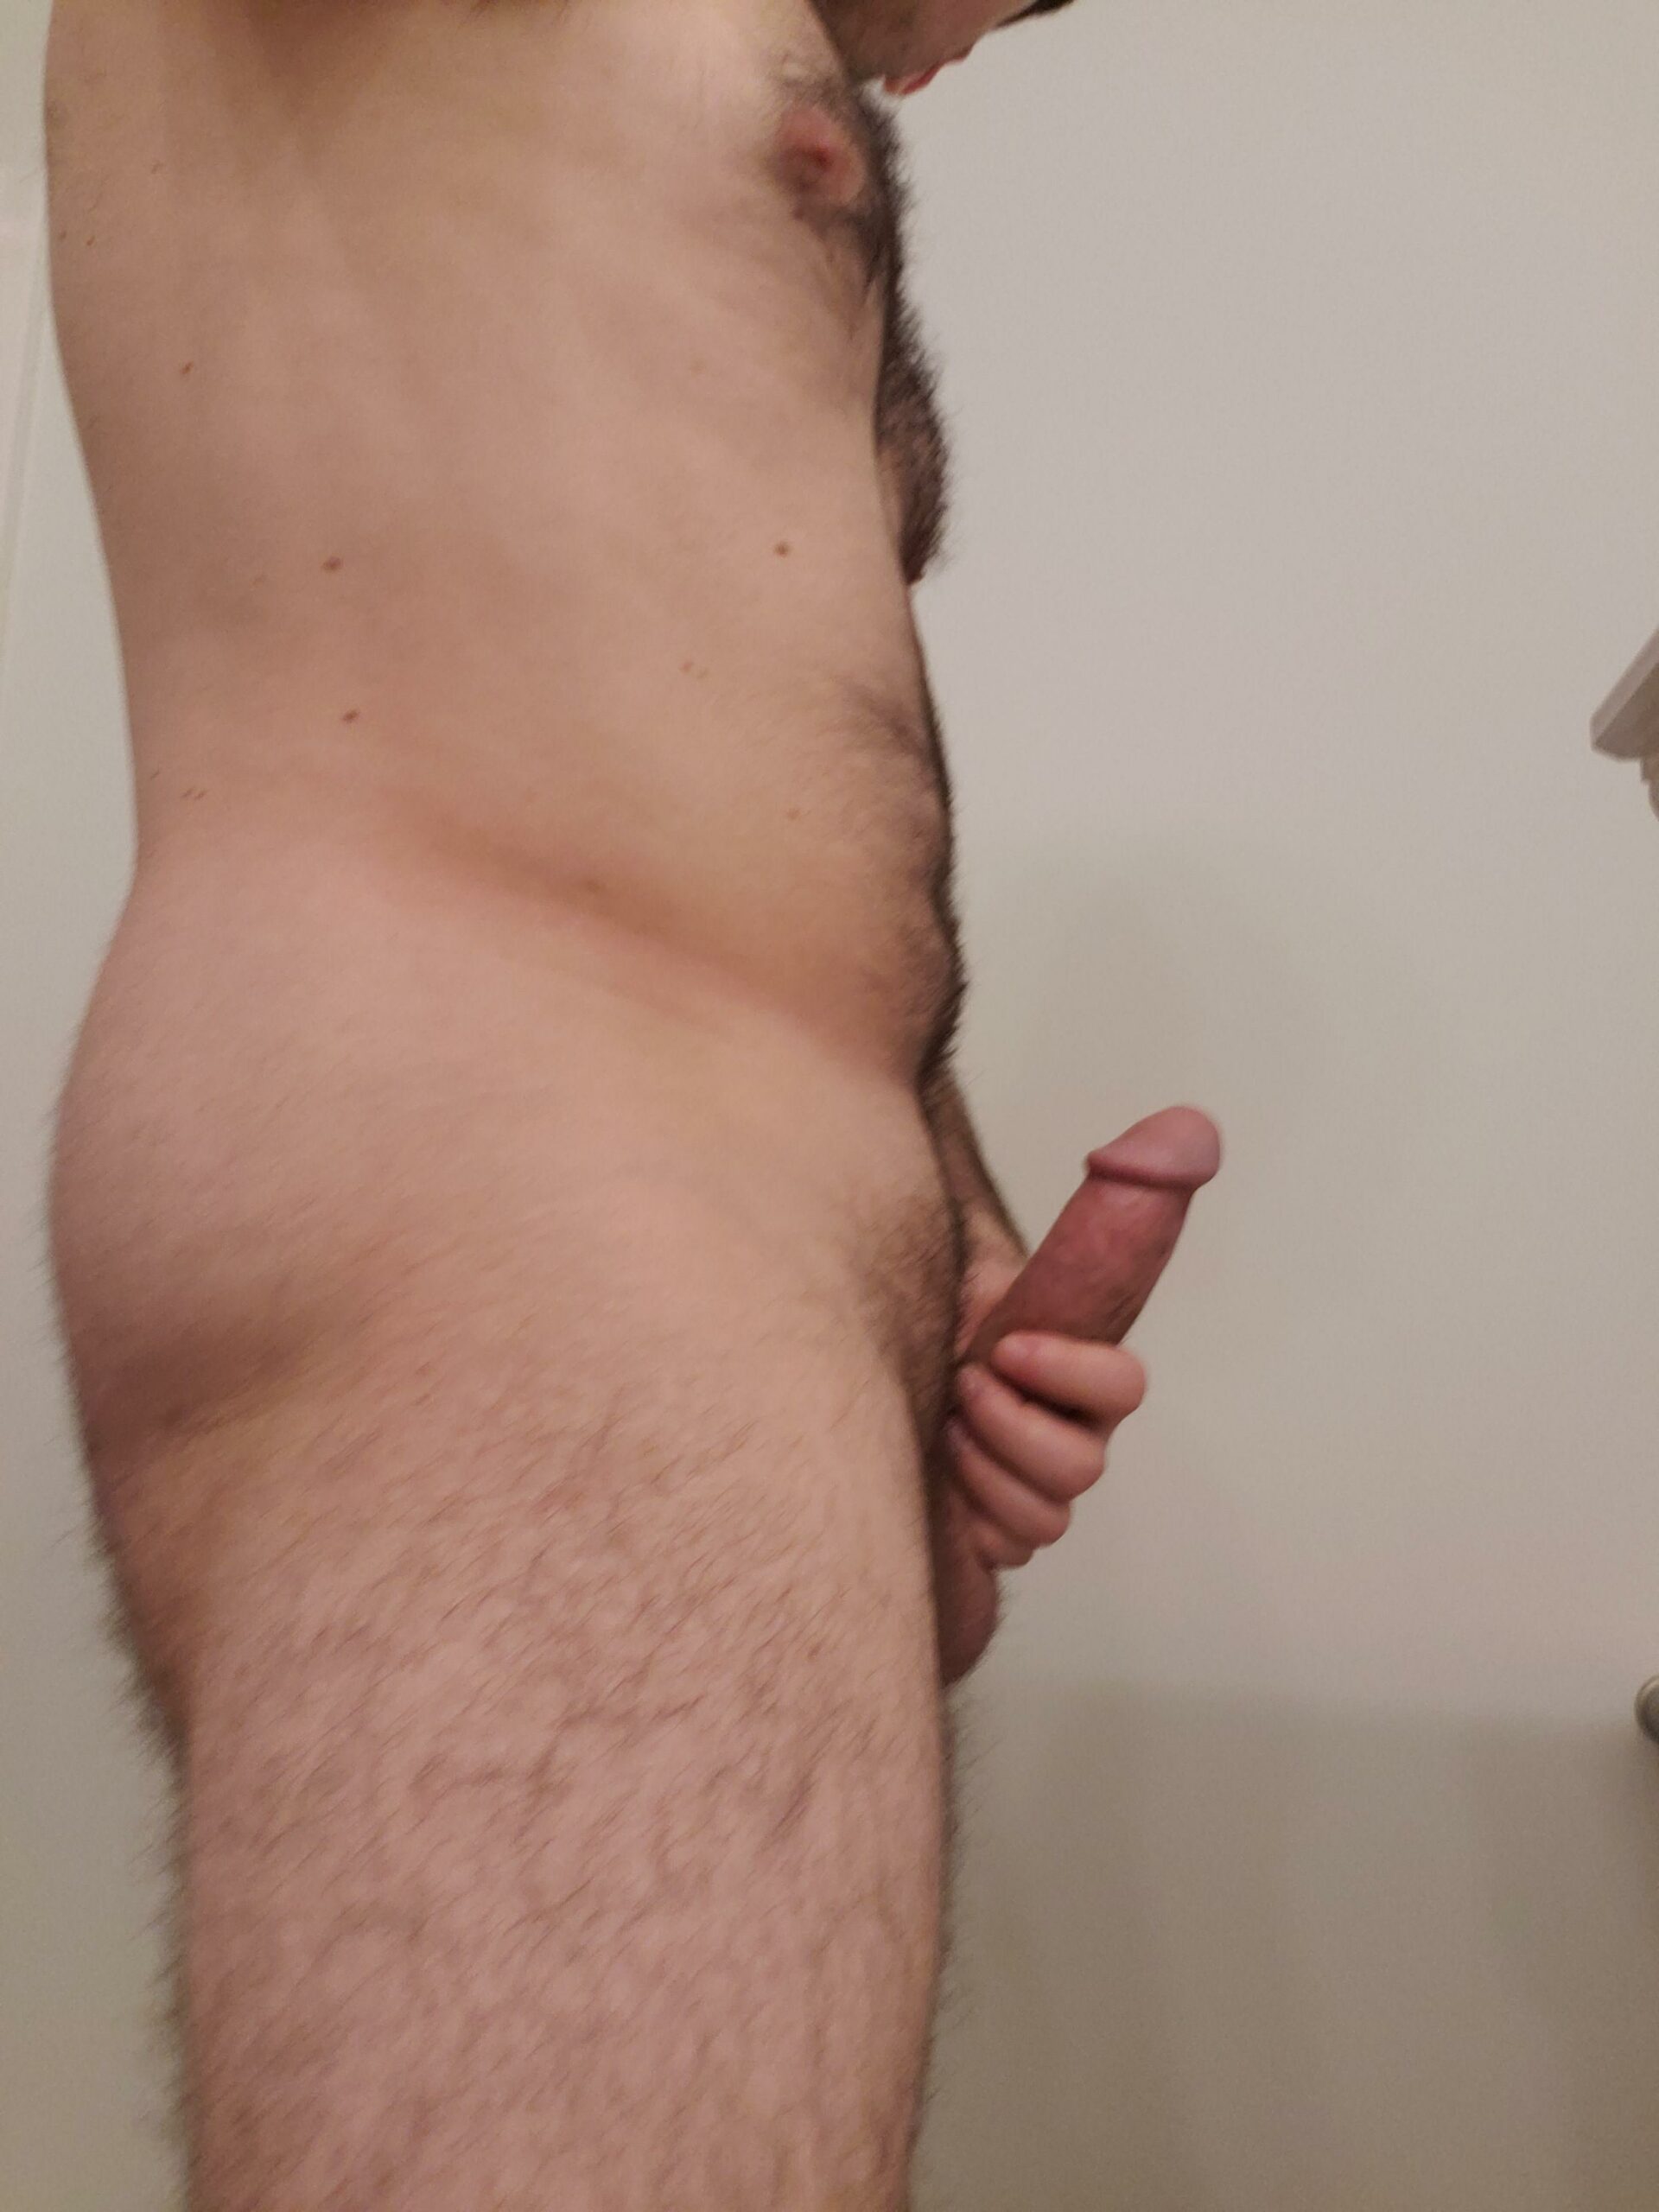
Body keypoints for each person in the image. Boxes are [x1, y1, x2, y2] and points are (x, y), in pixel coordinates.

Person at [43, 0, 1206, 2201]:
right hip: (516, 1193)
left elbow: (722, 739)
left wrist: (931, 1219)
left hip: (637, 1231)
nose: (981, 41)